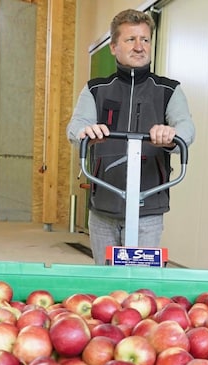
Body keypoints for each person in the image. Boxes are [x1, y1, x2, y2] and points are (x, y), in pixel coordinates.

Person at [67, 9, 195, 265]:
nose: (139, 47)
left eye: (145, 40)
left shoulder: (168, 90)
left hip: (148, 210)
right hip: (103, 207)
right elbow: (76, 127)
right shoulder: (96, 89)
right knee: (106, 283)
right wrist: (86, 133)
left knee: (139, 286)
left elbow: (186, 129)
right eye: (130, 40)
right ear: (114, 47)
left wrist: (172, 135)